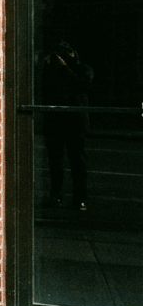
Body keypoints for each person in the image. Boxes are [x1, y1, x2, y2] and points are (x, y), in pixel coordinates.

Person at [41, 40, 93, 211]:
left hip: (75, 123)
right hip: (56, 122)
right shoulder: (51, 70)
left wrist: (65, 67)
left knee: (78, 163)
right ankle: (55, 194)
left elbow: (82, 84)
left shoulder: (83, 69)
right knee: (55, 162)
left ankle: (80, 198)